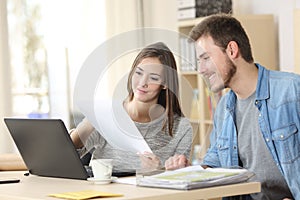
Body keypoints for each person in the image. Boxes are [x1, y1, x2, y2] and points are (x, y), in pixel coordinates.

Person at [165, 14, 299, 199]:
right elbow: (215, 161)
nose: (201, 69)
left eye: (205, 58)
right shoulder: (224, 109)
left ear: (232, 50)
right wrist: (189, 171)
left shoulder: (291, 91)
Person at [71, 42, 193, 173]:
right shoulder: (107, 113)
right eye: (139, 73)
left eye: (153, 77)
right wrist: (88, 124)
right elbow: (66, 155)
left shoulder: (182, 129)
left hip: (149, 193)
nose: (142, 83)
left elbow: (180, 178)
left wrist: (158, 172)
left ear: (164, 84)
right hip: (102, 192)